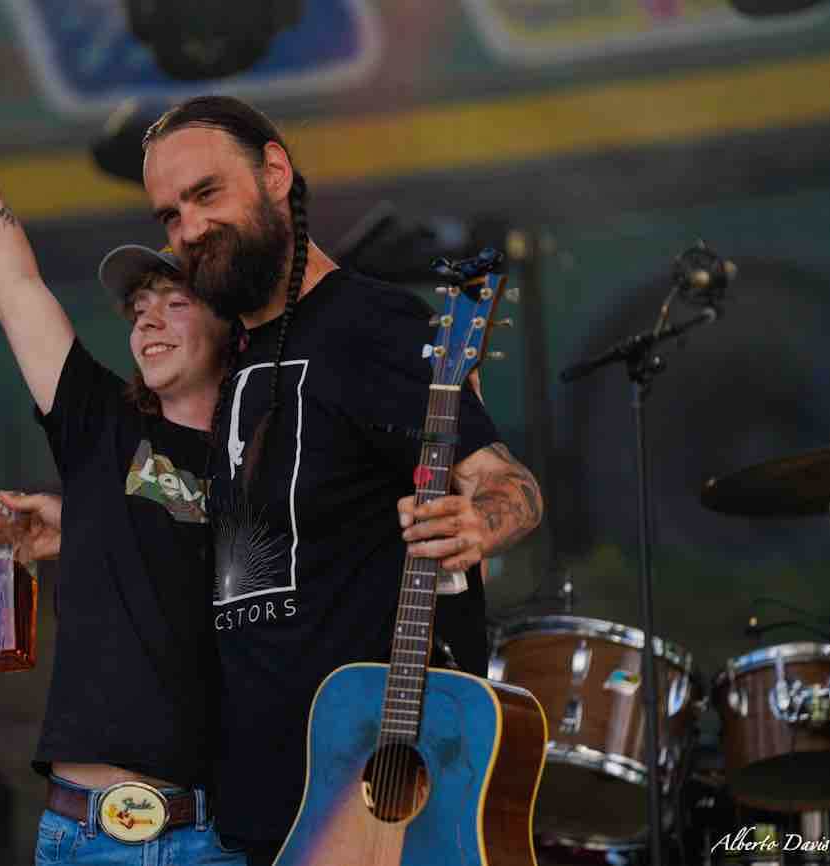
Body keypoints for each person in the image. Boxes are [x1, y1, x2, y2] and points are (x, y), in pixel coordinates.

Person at [140, 96, 545, 862]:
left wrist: (478, 522)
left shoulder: (374, 324)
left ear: (274, 173)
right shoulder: (232, 357)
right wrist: (87, 520)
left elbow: (508, 482)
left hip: (378, 801)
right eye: (168, 216)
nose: (187, 231)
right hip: (252, 812)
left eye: (205, 195)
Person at [0, 4, 246, 863]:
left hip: (222, 831)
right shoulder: (100, 425)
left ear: (231, 329)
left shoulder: (272, 448)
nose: (150, 321)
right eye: (138, 308)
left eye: (176, 302)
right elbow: (7, 271)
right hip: (85, 834)